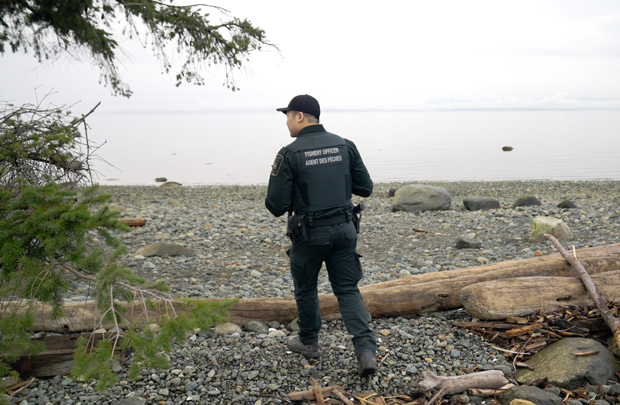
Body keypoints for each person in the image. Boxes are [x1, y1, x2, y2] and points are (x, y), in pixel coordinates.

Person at [265, 94, 377, 377]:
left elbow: (275, 206)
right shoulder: (345, 145)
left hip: (309, 236)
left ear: (299, 116)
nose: (287, 122)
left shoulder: (289, 153)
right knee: (348, 289)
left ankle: (308, 342)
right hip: (344, 231)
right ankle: (366, 352)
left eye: (288, 116)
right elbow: (365, 188)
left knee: (306, 288)